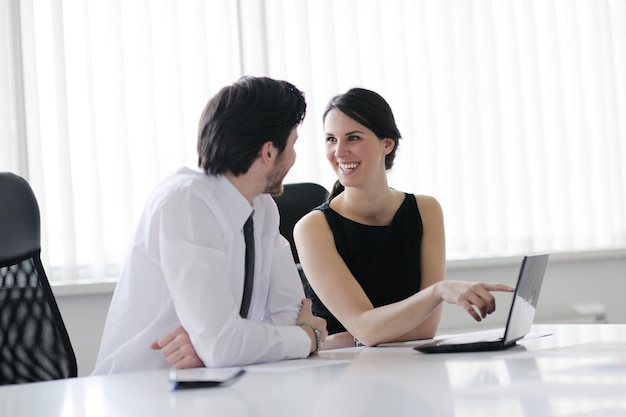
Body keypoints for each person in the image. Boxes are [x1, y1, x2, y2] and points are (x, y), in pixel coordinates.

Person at [92, 76, 327, 375]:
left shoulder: (262, 207)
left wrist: (225, 345)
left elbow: (291, 314)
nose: (295, 156)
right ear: (269, 153)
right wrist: (308, 337)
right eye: (293, 144)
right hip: (142, 390)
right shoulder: (186, 201)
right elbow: (227, 345)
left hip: (215, 383)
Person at [292, 88, 514, 349]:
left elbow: (425, 329)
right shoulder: (312, 228)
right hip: (338, 370)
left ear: (387, 143)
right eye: (331, 139)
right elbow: (367, 328)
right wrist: (437, 292)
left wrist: (353, 338)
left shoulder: (426, 210)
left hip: (399, 363)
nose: (339, 151)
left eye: (352, 138)